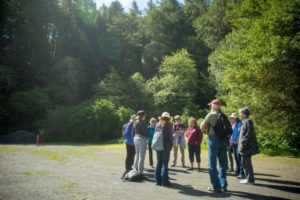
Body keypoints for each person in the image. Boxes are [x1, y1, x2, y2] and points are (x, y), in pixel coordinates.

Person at [200, 99, 228, 193]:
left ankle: (216, 186)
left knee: (212, 164)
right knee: (223, 164)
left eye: (211, 105)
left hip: (213, 140)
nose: (210, 107)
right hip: (224, 141)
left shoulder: (211, 115)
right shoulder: (224, 116)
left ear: (214, 106)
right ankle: (223, 185)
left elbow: (202, 127)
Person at [238, 107, 259, 184]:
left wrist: (242, 145)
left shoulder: (248, 121)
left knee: (247, 163)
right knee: (244, 162)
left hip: (247, 147)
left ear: (244, 114)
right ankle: (248, 178)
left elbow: (247, 135)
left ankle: (250, 180)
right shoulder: (245, 121)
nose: (239, 114)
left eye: (240, 113)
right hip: (245, 146)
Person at [155, 112, 173, 187]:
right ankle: (165, 182)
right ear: (168, 118)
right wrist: (171, 145)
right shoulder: (168, 125)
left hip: (158, 146)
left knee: (159, 162)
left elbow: (155, 134)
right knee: (165, 164)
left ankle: (158, 181)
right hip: (166, 146)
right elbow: (170, 137)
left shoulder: (158, 124)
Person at [229, 113, 245, 178]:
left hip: (237, 143)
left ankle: (241, 172)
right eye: (230, 118)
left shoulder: (239, 124)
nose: (231, 119)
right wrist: (230, 141)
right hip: (232, 143)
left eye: (232, 118)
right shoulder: (232, 124)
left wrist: (236, 140)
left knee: (239, 158)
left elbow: (240, 133)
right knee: (236, 157)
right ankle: (237, 171)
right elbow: (231, 134)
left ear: (235, 118)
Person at [133, 110, 148, 176]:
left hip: (135, 138)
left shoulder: (135, 122)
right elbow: (145, 132)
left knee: (137, 154)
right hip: (142, 138)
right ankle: (140, 172)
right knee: (141, 156)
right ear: (143, 115)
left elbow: (134, 130)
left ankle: (135, 169)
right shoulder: (144, 122)